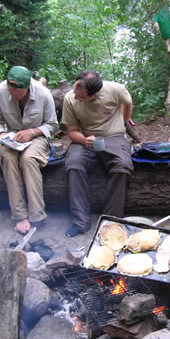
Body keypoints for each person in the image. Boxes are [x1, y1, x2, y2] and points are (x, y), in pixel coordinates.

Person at [62, 70, 133, 237]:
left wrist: (123, 121)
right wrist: (84, 140)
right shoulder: (70, 98)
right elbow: (71, 131)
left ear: (95, 95)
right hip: (85, 138)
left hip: (113, 137)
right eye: (75, 92)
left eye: (81, 97)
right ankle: (80, 222)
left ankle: (110, 222)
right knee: (74, 163)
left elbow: (128, 103)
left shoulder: (116, 90)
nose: (76, 97)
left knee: (122, 166)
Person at [0, 66, 59, 234]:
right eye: (10, 90)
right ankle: (20, 215)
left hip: (37, 136)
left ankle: (37, 215)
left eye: (17, 92)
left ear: (28, 87)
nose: (12, 95)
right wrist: (3, 133)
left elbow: (53, 125)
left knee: (28, 159)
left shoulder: (43, 93)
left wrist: (32, 132)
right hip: (12, 137)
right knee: (8, 157)